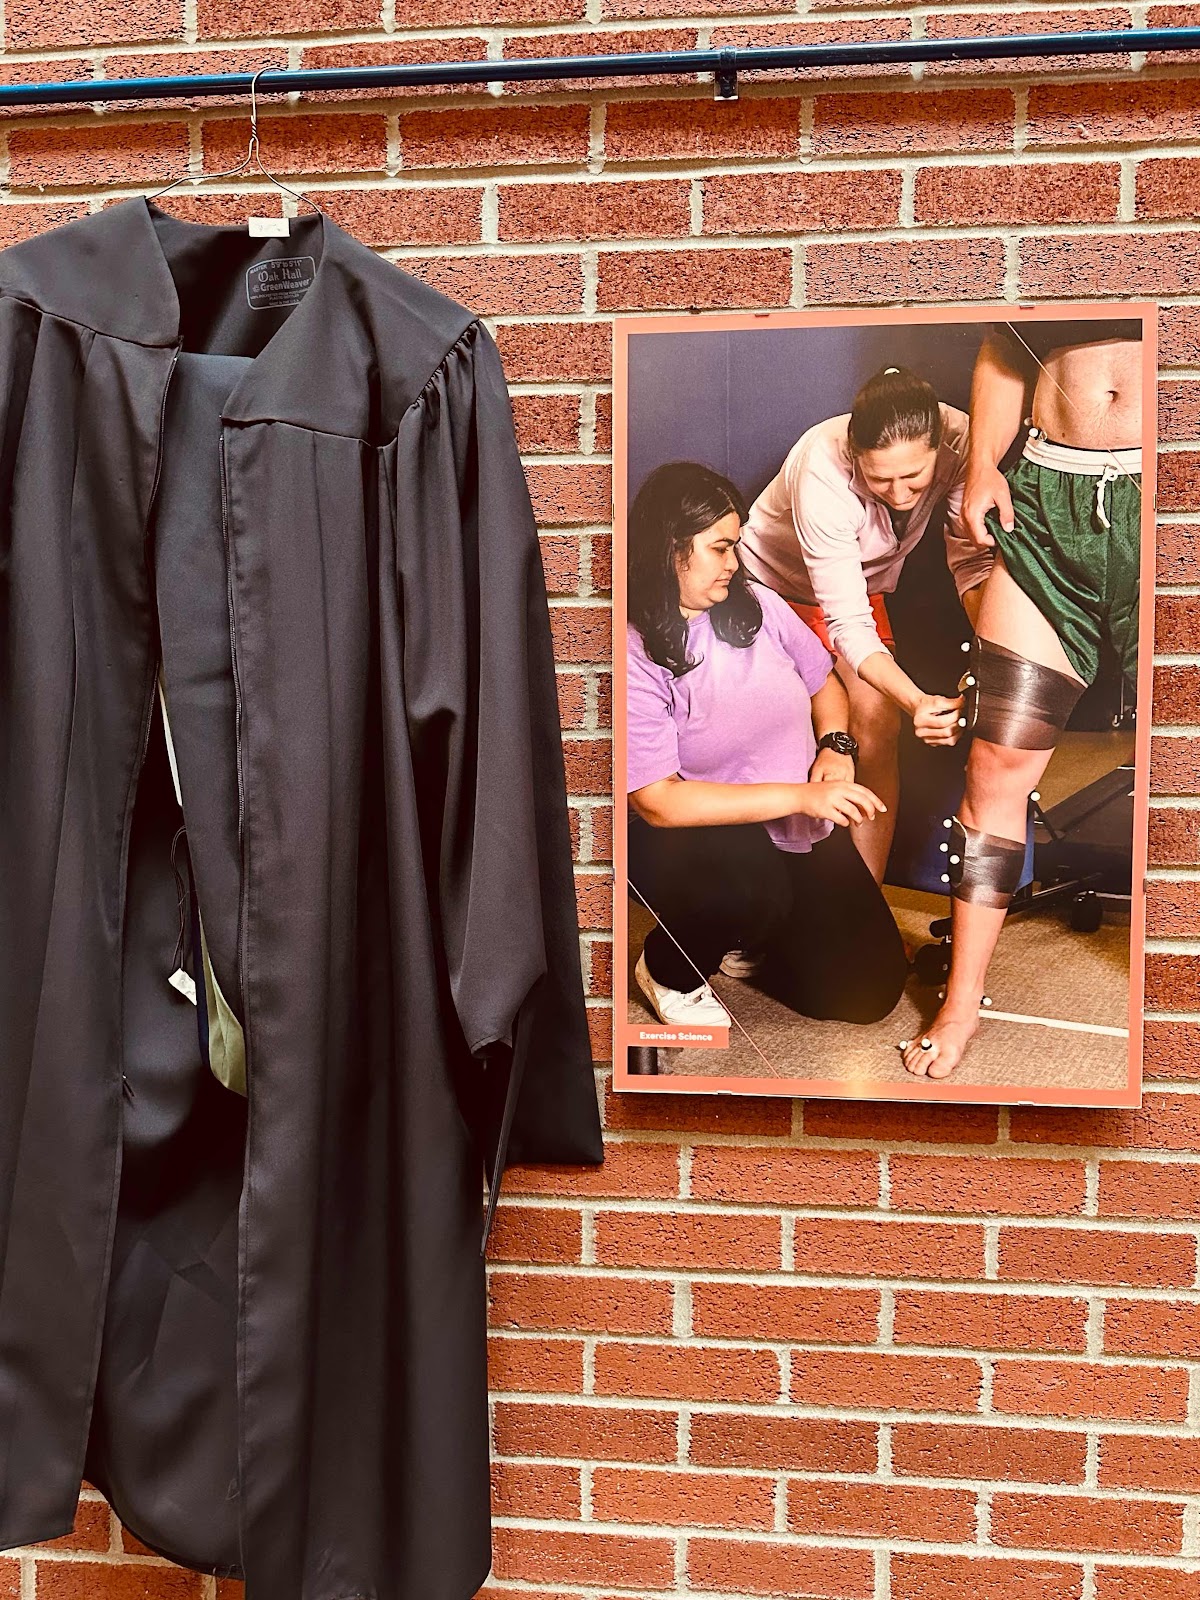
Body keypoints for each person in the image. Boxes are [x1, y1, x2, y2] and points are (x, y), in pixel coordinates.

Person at [901, 319, 1143, 1079]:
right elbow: (1007, 344)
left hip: (1169, 491)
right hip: (1046, 499)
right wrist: (982, 465)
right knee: (997, 763)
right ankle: (961, 1003)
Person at [625, 461, 909, 1035]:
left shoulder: (758, 605)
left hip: (797, 823)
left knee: (870, 991)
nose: (734, 562)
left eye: (736, 545)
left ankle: (747, 932)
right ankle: (667, 969)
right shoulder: (633, 651)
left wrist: (835, 747)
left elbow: (824, 685)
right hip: (697, 837)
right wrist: (801, 796)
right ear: (670, 550)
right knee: (748, 887)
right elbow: (658, 802)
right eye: (719, 548)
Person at [738, 367, 994, 882]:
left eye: (914, 478)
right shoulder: (821, 465)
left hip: (859, 587)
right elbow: (849, 625)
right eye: (880, 479)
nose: (899, 494)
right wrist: (918, 701)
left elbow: (970, 562)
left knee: (878, 721)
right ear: (855, 454)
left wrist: (996, 651)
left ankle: (867, 902)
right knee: (792, 726)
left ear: (938, 447)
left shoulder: (962, 438)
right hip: (770, 591)